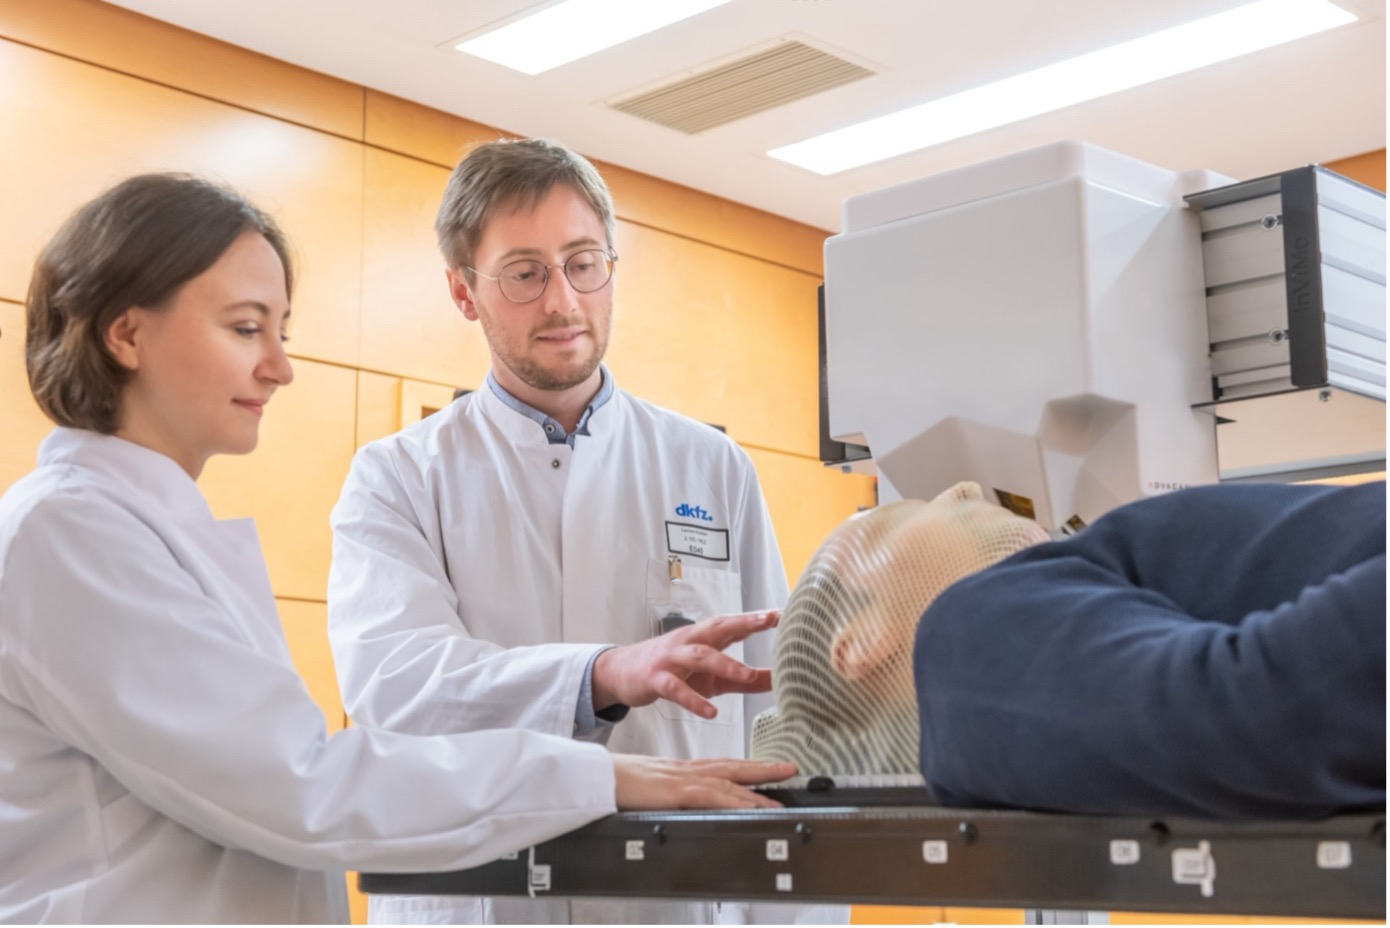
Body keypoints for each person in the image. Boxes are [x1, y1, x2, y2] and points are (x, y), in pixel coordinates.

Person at [0, 173, 796, 924]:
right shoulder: (73, 533)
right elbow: (307, 776)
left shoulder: (135, 527)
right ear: (126, 333)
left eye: (585, 264)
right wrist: (604, 757)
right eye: (247, 328)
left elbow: (779, 709)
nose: (279, 367)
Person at [328, 138, 839, 924]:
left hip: (678, 902)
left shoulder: (712, 466)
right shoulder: (399, 475)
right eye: (525, 274)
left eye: (584, 263)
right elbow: (399, 689)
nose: (564, 302)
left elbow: (782, 711)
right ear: (465, 292)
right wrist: (600, 675)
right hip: (487, 901)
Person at [914, 480, 1386, 819]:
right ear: (857, 646)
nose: (960, 487)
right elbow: (1266, 716)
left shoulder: (975, 644)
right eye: (881, 523)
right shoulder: (966, 638)